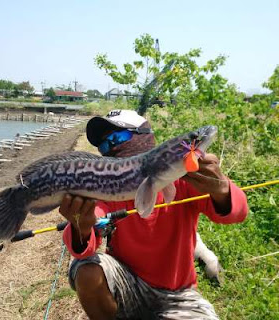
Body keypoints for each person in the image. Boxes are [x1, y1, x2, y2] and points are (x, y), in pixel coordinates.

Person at [59, 109, 248, 320]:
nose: (110, 147)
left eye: (117, 137)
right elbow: (83, 248)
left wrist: (221, 189)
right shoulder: (106, 189)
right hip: (128, 284)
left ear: (144, 135)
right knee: (85, 269)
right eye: (104, 145)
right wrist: (79, 226)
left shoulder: (186, 179)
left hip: (178, 295)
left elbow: (237, 214)